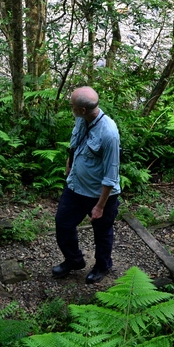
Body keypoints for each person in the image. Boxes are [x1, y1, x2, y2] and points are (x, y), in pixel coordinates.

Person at [52, 86, 121, 284]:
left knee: (102, 233)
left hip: (99, 195)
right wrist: (70, 161)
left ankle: (102, 266)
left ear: (83, 109)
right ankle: (74, 260)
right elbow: (75, 142)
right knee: (63, 224)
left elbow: (111, 175)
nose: (70, 107)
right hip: (75, 187)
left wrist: (100, 206)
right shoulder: (82, 118)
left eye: (71, 105)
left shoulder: (109, 134)